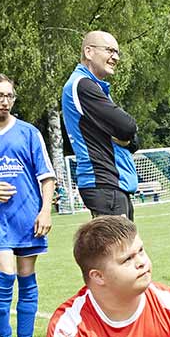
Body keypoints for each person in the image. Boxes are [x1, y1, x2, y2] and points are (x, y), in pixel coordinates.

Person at [0, 73, 56, 337]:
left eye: (9, 96)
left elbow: (46, 177)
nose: (5, 101)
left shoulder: (29, 133)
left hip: (28, 217)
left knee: (26, 277)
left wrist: (45, 210)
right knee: (6, 272)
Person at [62, 30, 139, 219]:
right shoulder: (82, 85)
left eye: (117, 52)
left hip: (113, 185)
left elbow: (133, 139)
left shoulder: (95, 87)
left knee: (126, 248)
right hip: (104, 183)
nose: (116, 57)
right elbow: (128, 126)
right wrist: (127, 136)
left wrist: (128, 140)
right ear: (89, 52)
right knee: (119, 248)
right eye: (110, 51)